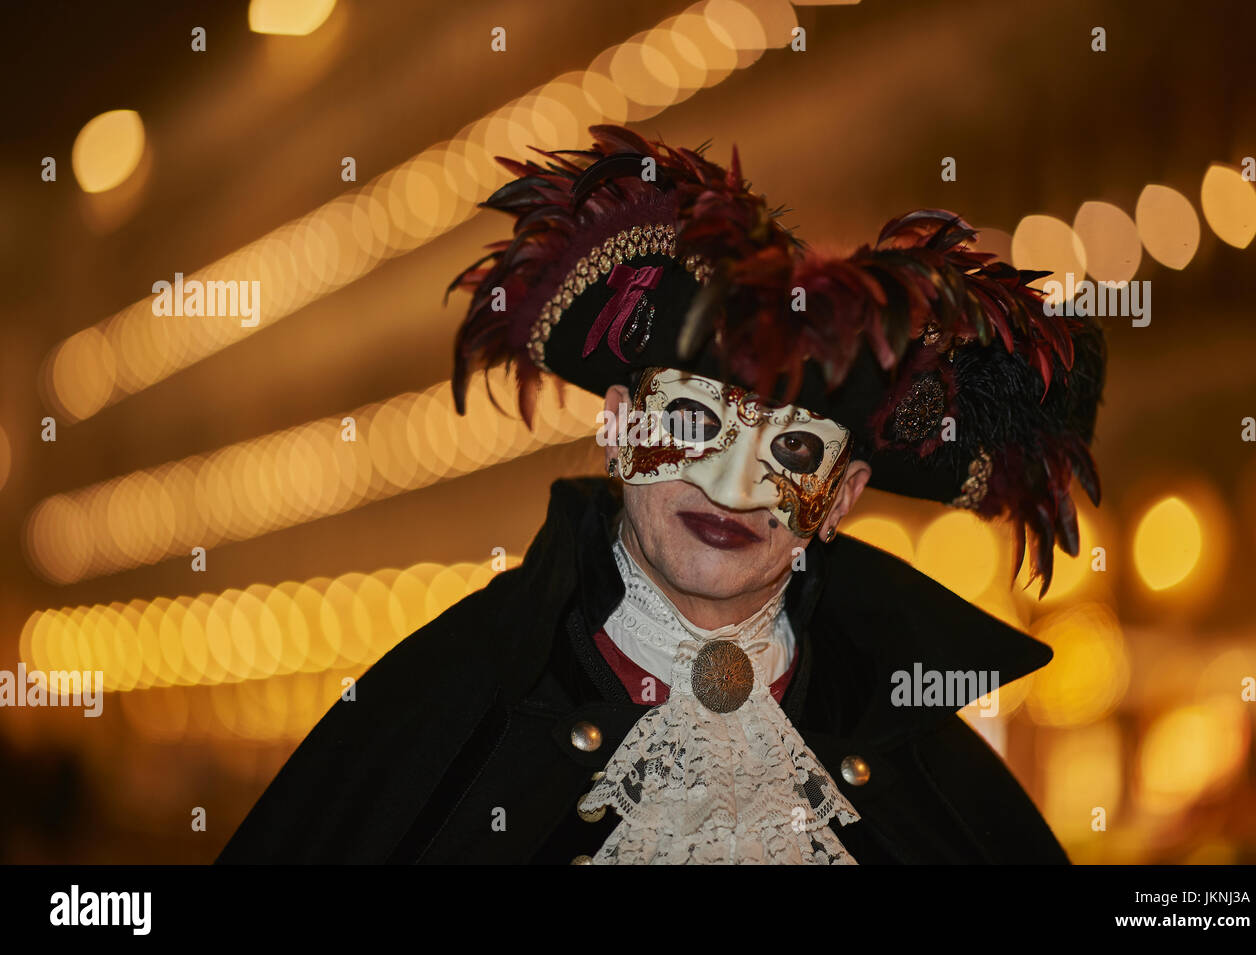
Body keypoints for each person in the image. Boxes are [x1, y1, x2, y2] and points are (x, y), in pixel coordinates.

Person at [217, 125, 1105, 865]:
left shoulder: (928, 771)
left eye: (790, 448)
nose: (729, 486)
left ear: (839, 497)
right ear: (618, 425)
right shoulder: (443, 704)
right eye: (690, 423)